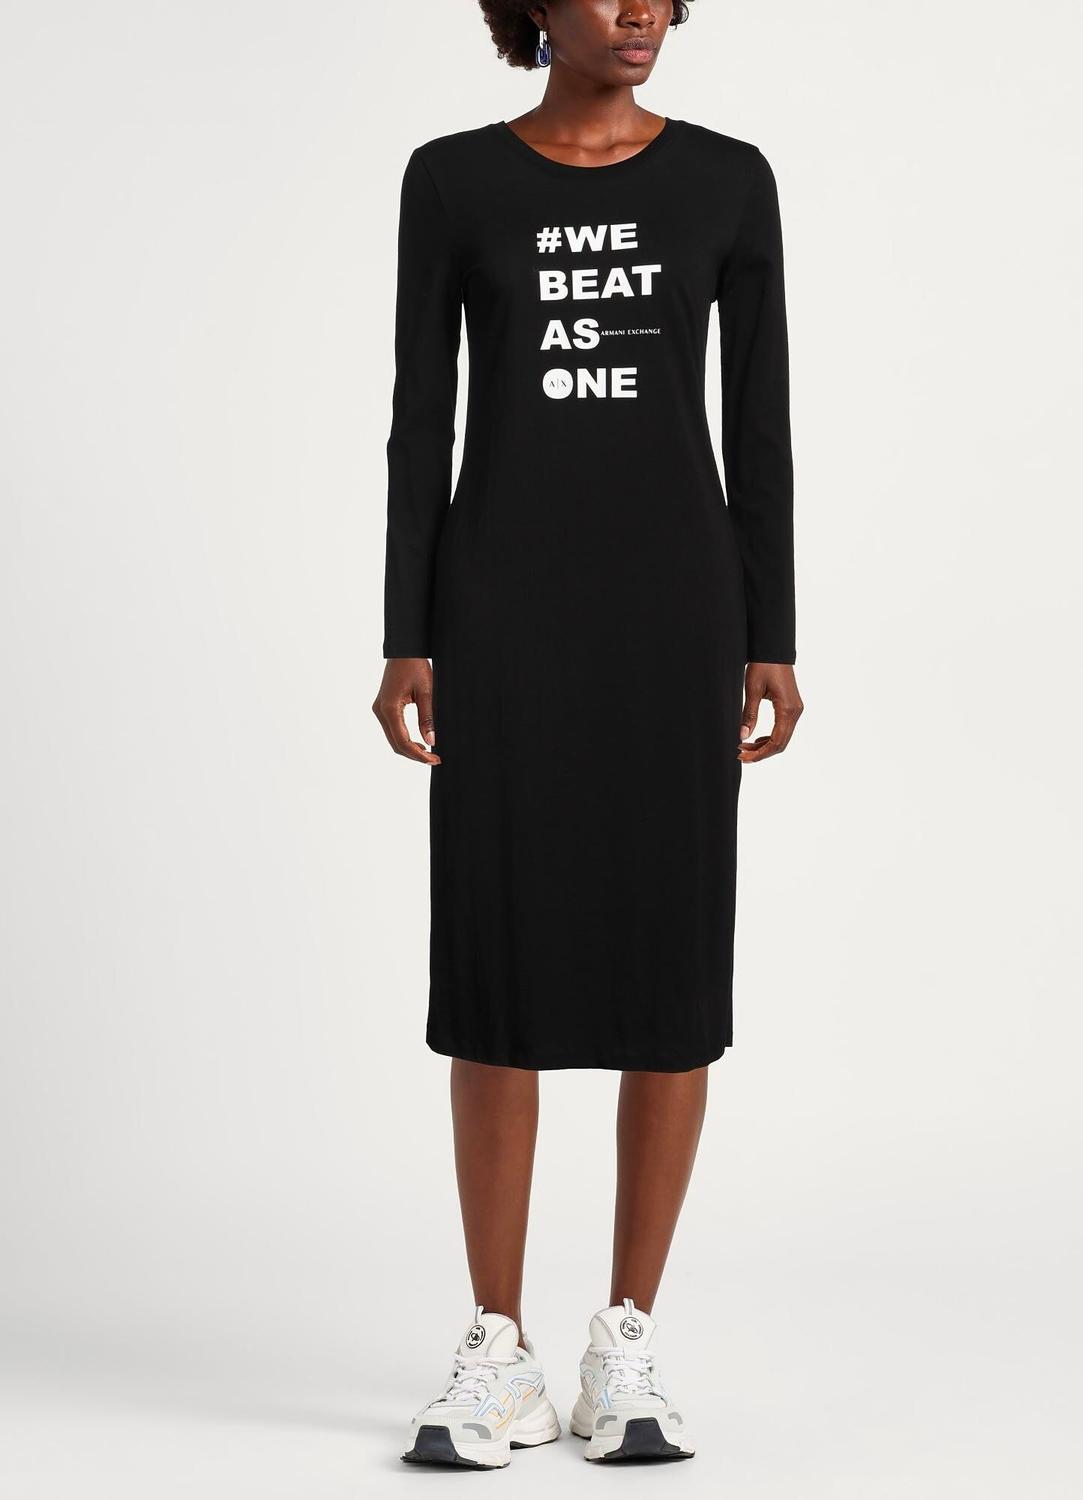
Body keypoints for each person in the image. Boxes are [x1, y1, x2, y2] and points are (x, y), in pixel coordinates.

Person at [373, 0, 803, 1469]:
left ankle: (626, 1341)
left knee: (667, 959)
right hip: (501, 609)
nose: (638, 10)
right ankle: (495, 1347)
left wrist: (771, 633)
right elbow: (418, 419)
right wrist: (408, 632)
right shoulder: (453, 179)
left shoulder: (727, 179)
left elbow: (759, 421)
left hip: (675, 611)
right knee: (495, 955)